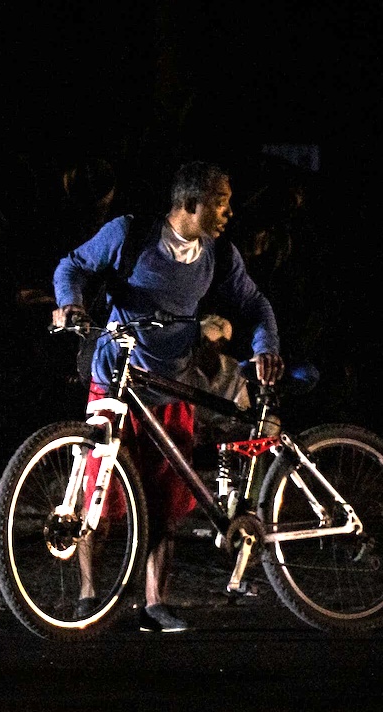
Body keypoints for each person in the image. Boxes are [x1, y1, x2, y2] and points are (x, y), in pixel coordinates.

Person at [50, 160, 284, 632]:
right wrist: (69, 302)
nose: (229, 213)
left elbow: (256, 303)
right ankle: (88, 595)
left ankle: (156, 603)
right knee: (98, 489)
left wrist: (265, 347)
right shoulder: (129, 236)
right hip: (114, 378)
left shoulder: (218, 255)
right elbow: (72, 265)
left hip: (170, 384)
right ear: (190, 204)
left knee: (164, 500)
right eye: (221, 204)